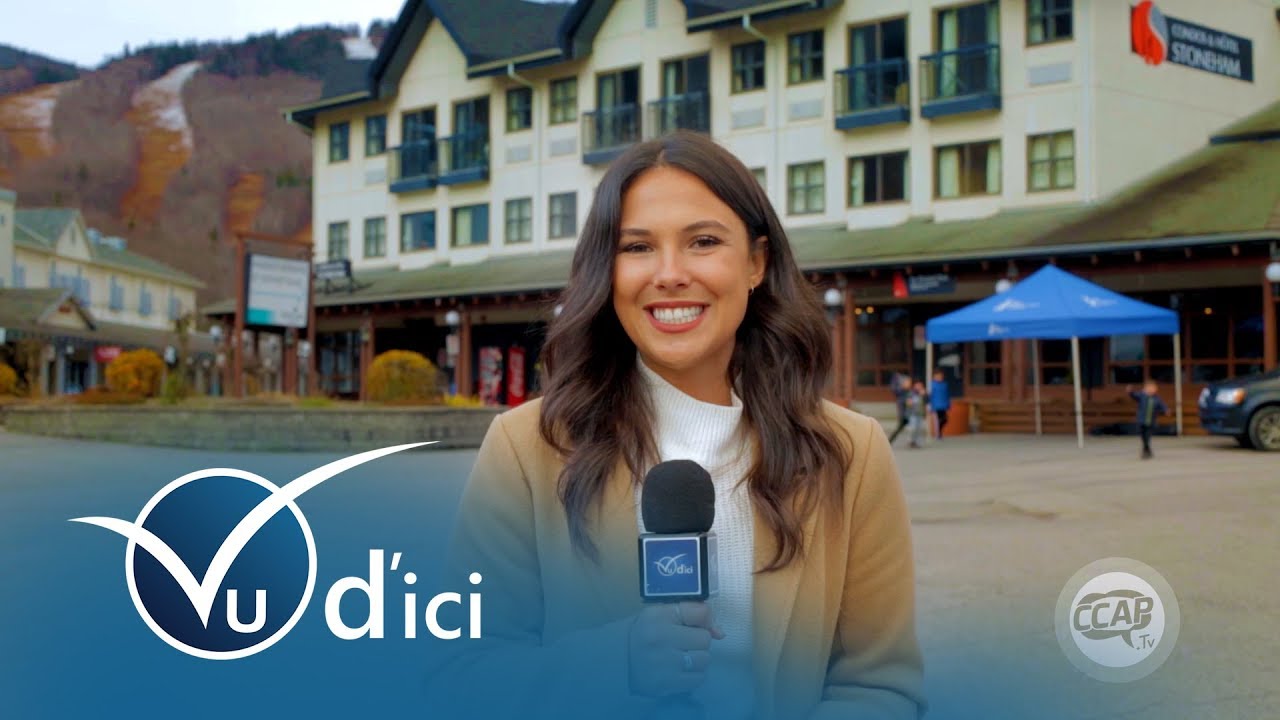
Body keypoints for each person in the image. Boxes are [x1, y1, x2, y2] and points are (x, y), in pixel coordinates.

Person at [428, 131, 925, 720]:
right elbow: (463, 677)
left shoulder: (850, 452)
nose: (669, 274)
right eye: (637, 247)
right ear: (608, 271)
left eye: (703, 242)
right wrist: (616, 664)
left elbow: (880, 688)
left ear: (756, 263)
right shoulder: (526, 448)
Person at [1127, 380, 1169, 459]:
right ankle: (1147, 449)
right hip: (1141, 420)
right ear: (1145, 389)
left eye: (1153, 388)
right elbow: (1134, 396)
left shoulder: (1157, 398)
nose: (1151, 390)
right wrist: (1130, 392)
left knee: (1147, 436)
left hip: (1151, 421)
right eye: (1149, 388)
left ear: (1155, 389)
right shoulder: (1142, 396)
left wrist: (1166, 410)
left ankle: (1146, 451)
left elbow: (1162, 405)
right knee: (1143, 436)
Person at [887, 373, 912, 444]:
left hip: (911, 413)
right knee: (899, 428)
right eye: (907, 382)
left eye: (909, 382)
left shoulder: (910, 391)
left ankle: (913, 441)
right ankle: (889, 441)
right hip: (904, 413)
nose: (909, 384)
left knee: (913, 427)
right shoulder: (901, 392)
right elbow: (895, 391)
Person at [930, 369, 951, 440]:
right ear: (934, 377)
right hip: (935, 406)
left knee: (945, 420)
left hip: (943, 406)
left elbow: (947, 395)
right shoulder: (931, 385)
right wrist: (930, 406)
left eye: (940, 376)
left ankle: (939, 432)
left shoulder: (945, 385)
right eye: (937, 376)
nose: (939, 377)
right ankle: (938, 435)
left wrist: (948, 405)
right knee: (937, 421)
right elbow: (930, 396)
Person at [906, 381, 928, 449]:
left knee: (919, 429)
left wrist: (924, 395)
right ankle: (910, 441)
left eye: (920, 385)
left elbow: (927, 402)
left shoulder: (924, 393)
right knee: (913, 428)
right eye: (918, 385)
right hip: (913, 414)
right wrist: (912, 402)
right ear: (914, 386)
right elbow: (908, 403)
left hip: (920, 414)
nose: (919, 387)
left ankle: (916, 442)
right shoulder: (911, 393)